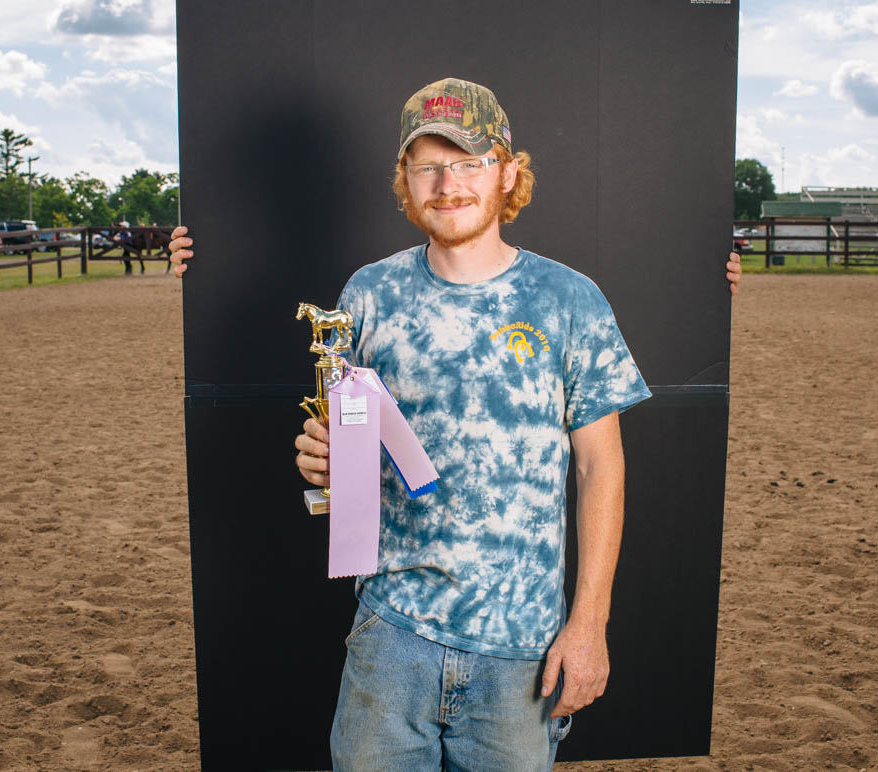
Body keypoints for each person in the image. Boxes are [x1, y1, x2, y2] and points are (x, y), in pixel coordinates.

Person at [169, 77, 742, 770]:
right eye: (427, 166)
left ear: (507, 171)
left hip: (521, 652)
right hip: (391, 637)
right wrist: (324, 461)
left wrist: (588, 626)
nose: (448, 183)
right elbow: (351, 453)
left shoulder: (571, 300)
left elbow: (601, 468)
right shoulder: (367, 295)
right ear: (406, 182)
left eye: (469, 162)